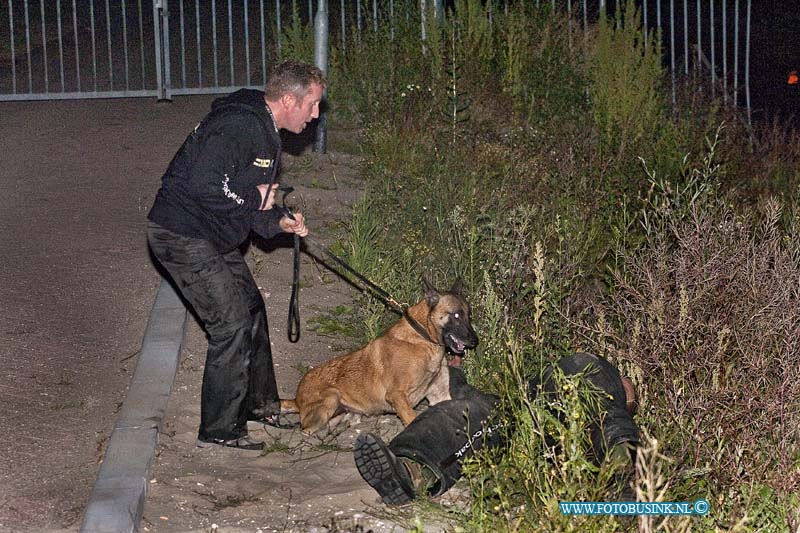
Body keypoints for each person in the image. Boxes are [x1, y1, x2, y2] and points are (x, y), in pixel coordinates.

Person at [147, 60, 326, 451]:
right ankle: (220, 428)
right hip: (181, 233)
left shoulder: (265, 131)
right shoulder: (240, 126)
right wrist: (255, 198)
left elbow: (249, 204)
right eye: (312, 105)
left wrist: (280, 221)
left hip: (210, 233)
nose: (316, 115)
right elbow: (204, 185)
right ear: (289, 100)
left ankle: (259, 405)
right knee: (229, 324)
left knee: (251, 307)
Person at [354, 352, 640, 503]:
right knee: (468, 414)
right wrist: (453, 371)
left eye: (627, 386)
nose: (624, 377)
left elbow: (612, 417)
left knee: (594, 382)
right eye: (623, 378)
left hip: (563, 442)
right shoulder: (528, 393)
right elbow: (467, 396)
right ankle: (409, 471)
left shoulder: (605, 393)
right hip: (522, 419)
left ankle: (623, 480)